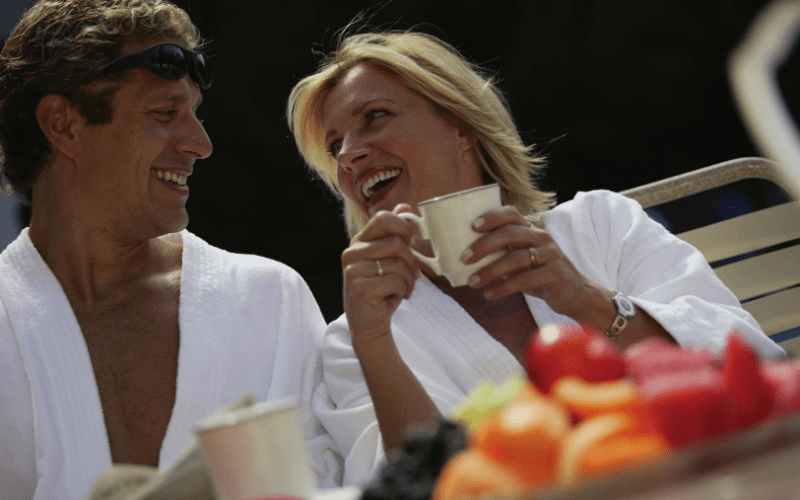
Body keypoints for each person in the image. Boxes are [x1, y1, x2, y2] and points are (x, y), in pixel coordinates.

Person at [287, 29, 786, 486]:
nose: (349, 154)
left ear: (460, 126)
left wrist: (583, 299)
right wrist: (374, 342)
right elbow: (415, 487)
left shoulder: (599, 224)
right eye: (335, 147)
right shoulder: (356, 339)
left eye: (374, 117)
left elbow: (751, 359)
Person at [0, 1, 327, 498]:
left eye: (192, 113)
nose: (200, 143)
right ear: (63, 125)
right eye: (163, 114)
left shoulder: (269, 302)